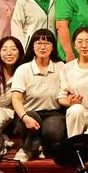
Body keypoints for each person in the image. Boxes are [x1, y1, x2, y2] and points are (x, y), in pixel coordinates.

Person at [11, 29, 66, 162]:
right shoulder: (23, 69)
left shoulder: (60, 67)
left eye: (47, 43)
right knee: (30, 118)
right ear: (32, 46)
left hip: (53, 113)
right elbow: (16, 99)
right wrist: (24, 117)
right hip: (29, 112)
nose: (43, 47)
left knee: (54, 131)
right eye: (39, 43)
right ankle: (26, 148)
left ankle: (42, 145)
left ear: (53, 47)